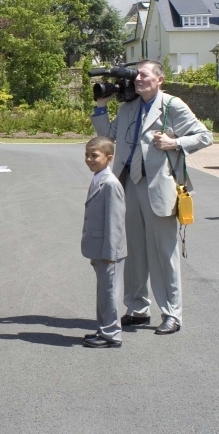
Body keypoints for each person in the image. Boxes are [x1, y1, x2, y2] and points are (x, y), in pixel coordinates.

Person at [91, 60, 212, 334]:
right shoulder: (128, 107)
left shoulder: (172, 105)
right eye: (136, 76)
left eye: (143, 75)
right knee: (133, 252)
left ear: (160, 79)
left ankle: (172, 314)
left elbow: (204, 136)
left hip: (159, 187)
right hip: (130, 185)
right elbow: (106, 137)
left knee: (163, 255)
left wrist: (175, 143)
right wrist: (100, 106)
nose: (138, 79)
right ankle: (137, 309)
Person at [82, 136, 126, 349]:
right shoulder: (98, 178)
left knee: (109, 292)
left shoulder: (110, 183)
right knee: (103, 292)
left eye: (94, 155)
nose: (89, 159)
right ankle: (104, 329)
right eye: (87, 155)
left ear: (109, 158)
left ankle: (112, 335)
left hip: (109, 251)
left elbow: (115, 222)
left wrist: (111, 253)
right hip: (99, 248)